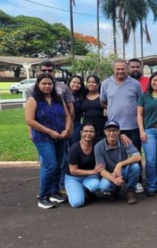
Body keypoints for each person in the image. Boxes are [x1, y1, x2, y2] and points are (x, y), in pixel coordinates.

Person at [27, 61, 75, 197]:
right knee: (50, 165)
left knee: (60, 164)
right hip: (43, 138)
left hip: (60, 136)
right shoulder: (33, 99)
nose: (47, 86)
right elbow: (29, 120)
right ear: (38, 84)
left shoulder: (58, 98)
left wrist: (66, 129)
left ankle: (55, 192)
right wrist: (48, 132)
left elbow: (68, 115)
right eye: (44, 83)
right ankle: (44, 195)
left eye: (49, 84)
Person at [100, 59, 144, 194]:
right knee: (114, 157)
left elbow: (140, 103)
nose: (120, 71)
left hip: (132, 127)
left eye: (123, 69)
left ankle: (136, 181)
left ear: (127, 69)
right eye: (117, 69)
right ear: (113, 69)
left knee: (134, 155)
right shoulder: (106, 84)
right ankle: (114, 182)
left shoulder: (135, 84)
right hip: (113, 128)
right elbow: (103, 102)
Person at [95, 120, 142, 205]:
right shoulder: (98, 146)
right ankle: (115, 190)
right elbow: (101, 170)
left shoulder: (125, 141)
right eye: (109, 130)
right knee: (104, 187)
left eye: (114, 130)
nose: (112, 133)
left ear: (119, 132)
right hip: (110, 174)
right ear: (105, 132)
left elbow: (138, 157)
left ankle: (130, 192)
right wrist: (114, 179)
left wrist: (120, 164)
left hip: (123, 172)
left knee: (135, 166)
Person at [65, 122, 102, 208]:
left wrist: (123, 136)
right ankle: (76, 190)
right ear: (81, 133)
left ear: (95, 133)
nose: (88, 133)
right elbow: (73, 171)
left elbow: (111, 137)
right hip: (74, 177)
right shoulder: (74, 148)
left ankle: (86, 190)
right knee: (77, 203)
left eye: (91, 131)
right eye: (85, 131)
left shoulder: (98, 143)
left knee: (95, 185)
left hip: (90, 177)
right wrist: (93, 171)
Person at [82, 75, 107, 142]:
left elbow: (108, 106)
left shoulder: (102, 96)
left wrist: (106, 108)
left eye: (93, 82)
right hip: (87, 124)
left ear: (98, 84)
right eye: (89, 82)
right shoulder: (83, 95)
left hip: (100, 124)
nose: (91, 84)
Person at [67, 75, 86, 146]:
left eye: (78, 83)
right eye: (74, 82)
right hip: (63, 123)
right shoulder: (62, 94)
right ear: (69, 83)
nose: (76, 84)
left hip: (76, 123)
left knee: (74, 144)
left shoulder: (83, 95)